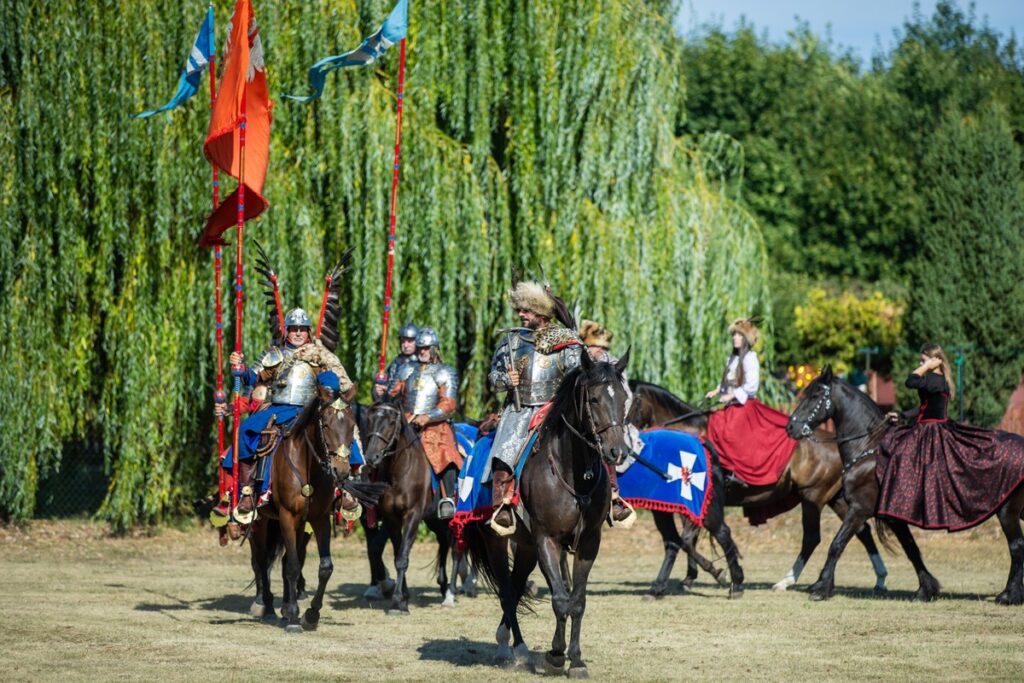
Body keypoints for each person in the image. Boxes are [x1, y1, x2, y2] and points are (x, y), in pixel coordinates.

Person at [212, 308, 356, 525]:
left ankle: (346, 490)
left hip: (311, 410)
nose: (298, 333)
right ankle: (248, 492)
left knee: (340, 431)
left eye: (302, 329)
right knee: (246, 431)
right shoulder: (275, 355)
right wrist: (240, 370)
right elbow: (254, 378)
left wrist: (329, 383)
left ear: (308, 332)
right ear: (287, 331)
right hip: (279, 409)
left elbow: (334, 384)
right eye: (294, 329)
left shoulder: (319, 356)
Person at [875, 343, 1024, 531]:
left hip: (931, 431)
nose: (921, 363)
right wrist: (903, 415)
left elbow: (910, 381)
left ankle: (901, 503)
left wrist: (926, 367)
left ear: (935, 360)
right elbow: (925, 407)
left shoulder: (934, 379)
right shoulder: (936, 380)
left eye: (923, 359)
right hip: (927, 426)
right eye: (921, 361)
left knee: (901, 455)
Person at [486, 280, 582, 534]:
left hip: (554, 410)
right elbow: (492, 378)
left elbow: (578, 376)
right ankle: (503, 506)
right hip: (519, 410)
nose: (520, 314)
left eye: (526, 310)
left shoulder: (567, 341)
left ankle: (610, 497)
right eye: (520, 309)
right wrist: (506, 380)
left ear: (540, 311)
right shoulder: (511, 342)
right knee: (504, 453)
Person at [703, 318, 796, 488]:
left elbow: (751, 387)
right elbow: (729, 381)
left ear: (746, 338)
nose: (735, 338)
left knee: (728, 431)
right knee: (713, 422)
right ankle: (721, 469)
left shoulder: (750, 358)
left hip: (745, 406)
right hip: (733, 405)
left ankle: (736, 472)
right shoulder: (732, 358)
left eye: (739, 335)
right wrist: (717, 391)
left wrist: (731, 396)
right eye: (734, 335)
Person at [389, 326, 462, 519]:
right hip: (406, 424)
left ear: (435, 349)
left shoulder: (445, 372)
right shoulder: (406, 369)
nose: (422, 351)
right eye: (420, 348)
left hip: (435, 427)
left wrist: (427, 417)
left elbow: (449, 404)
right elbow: (393, 395)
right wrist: (384, 392)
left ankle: (448, 499)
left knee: (447, 454)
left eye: (426, 348)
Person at [579, 319, 637, 526]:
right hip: (584, 420)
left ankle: (613, 496)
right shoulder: (581, 363)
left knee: (610, 443)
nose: (599, 351)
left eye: (603, 347)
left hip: (610, 420)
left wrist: (615, 418)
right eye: (595, 346)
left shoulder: (613, 364)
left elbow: (626, 396)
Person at [373, 321, 419, 399]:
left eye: (410, 341)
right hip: (393, 406)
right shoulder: (396, 362)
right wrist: (378, 391)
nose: (406, 345)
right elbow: (388, 384)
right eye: (403, 341)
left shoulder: (421, 364)